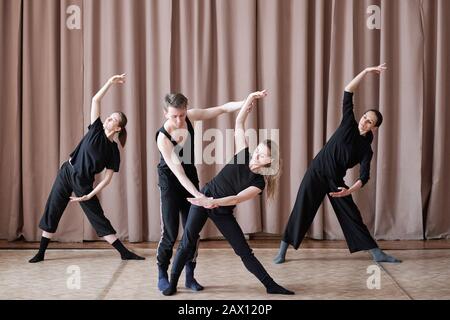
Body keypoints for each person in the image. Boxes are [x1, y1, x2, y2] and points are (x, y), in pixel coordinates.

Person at [162, 90, 294, 296]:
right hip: (205, 197)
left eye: (262, 155)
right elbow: (239, 122)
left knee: (243, 251)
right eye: (257, 150)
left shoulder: (259, 182)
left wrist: (213, 202)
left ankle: (270, 284)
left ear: (270, 161)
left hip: (220, 208)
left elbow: (236, 198)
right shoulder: (244, 153)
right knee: (187, 243)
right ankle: (172, 284)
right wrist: (251, 98)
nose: (256, 155)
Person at [273, 63, 401, 264]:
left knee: (352, 215)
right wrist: (366, 72)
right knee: (301, 209)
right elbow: (348, 91)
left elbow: (364, 176)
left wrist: (349, 191)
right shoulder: (348, 122)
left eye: (369, 122)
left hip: (335, 181)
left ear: (374, 129)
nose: (364, 122)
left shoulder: (366, 149)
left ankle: (377, 253)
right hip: (316, 173)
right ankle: (282, 251)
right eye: (365, 117)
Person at [29, 74, 144, 263]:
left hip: (83, 182)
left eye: (114, 118)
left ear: (118, 128)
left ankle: (124, 253)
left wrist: (90, 195)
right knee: (53, 209)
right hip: (67, 171)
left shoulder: (113, 151)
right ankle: (41, 253)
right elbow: (95, 99)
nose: (109, 117)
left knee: (98, 217)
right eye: (110, 115)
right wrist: (110, 82)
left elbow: (107, 179)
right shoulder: (96, 129)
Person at [156, 93, 249, 291]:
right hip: (171, 185)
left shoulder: (191, 116)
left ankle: (190, 277)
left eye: (182, 115)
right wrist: (200, 197)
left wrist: (248, 100)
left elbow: (223, 108)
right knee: (170, 234)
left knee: (192, 233)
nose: (180, 120)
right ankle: (162, 273)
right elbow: (179, 175)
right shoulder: (163, 139)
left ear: (186, 110)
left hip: (191, 178)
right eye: (174, 116)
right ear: (165, 114)